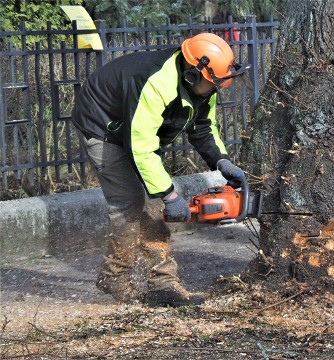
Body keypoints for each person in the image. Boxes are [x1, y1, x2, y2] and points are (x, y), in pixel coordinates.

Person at [71, 33, 248, 307]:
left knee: (152, 207)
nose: (216, 89)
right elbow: (140, 146)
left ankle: (161, 284)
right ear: (192, 75)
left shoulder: (205, 85)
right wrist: (169, 194)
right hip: (104, 126)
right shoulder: (155, 82)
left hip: (138, 131)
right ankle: (114, 277)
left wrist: (221, 161)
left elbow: (203, 127)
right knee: (130, 204)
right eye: (212, 84)